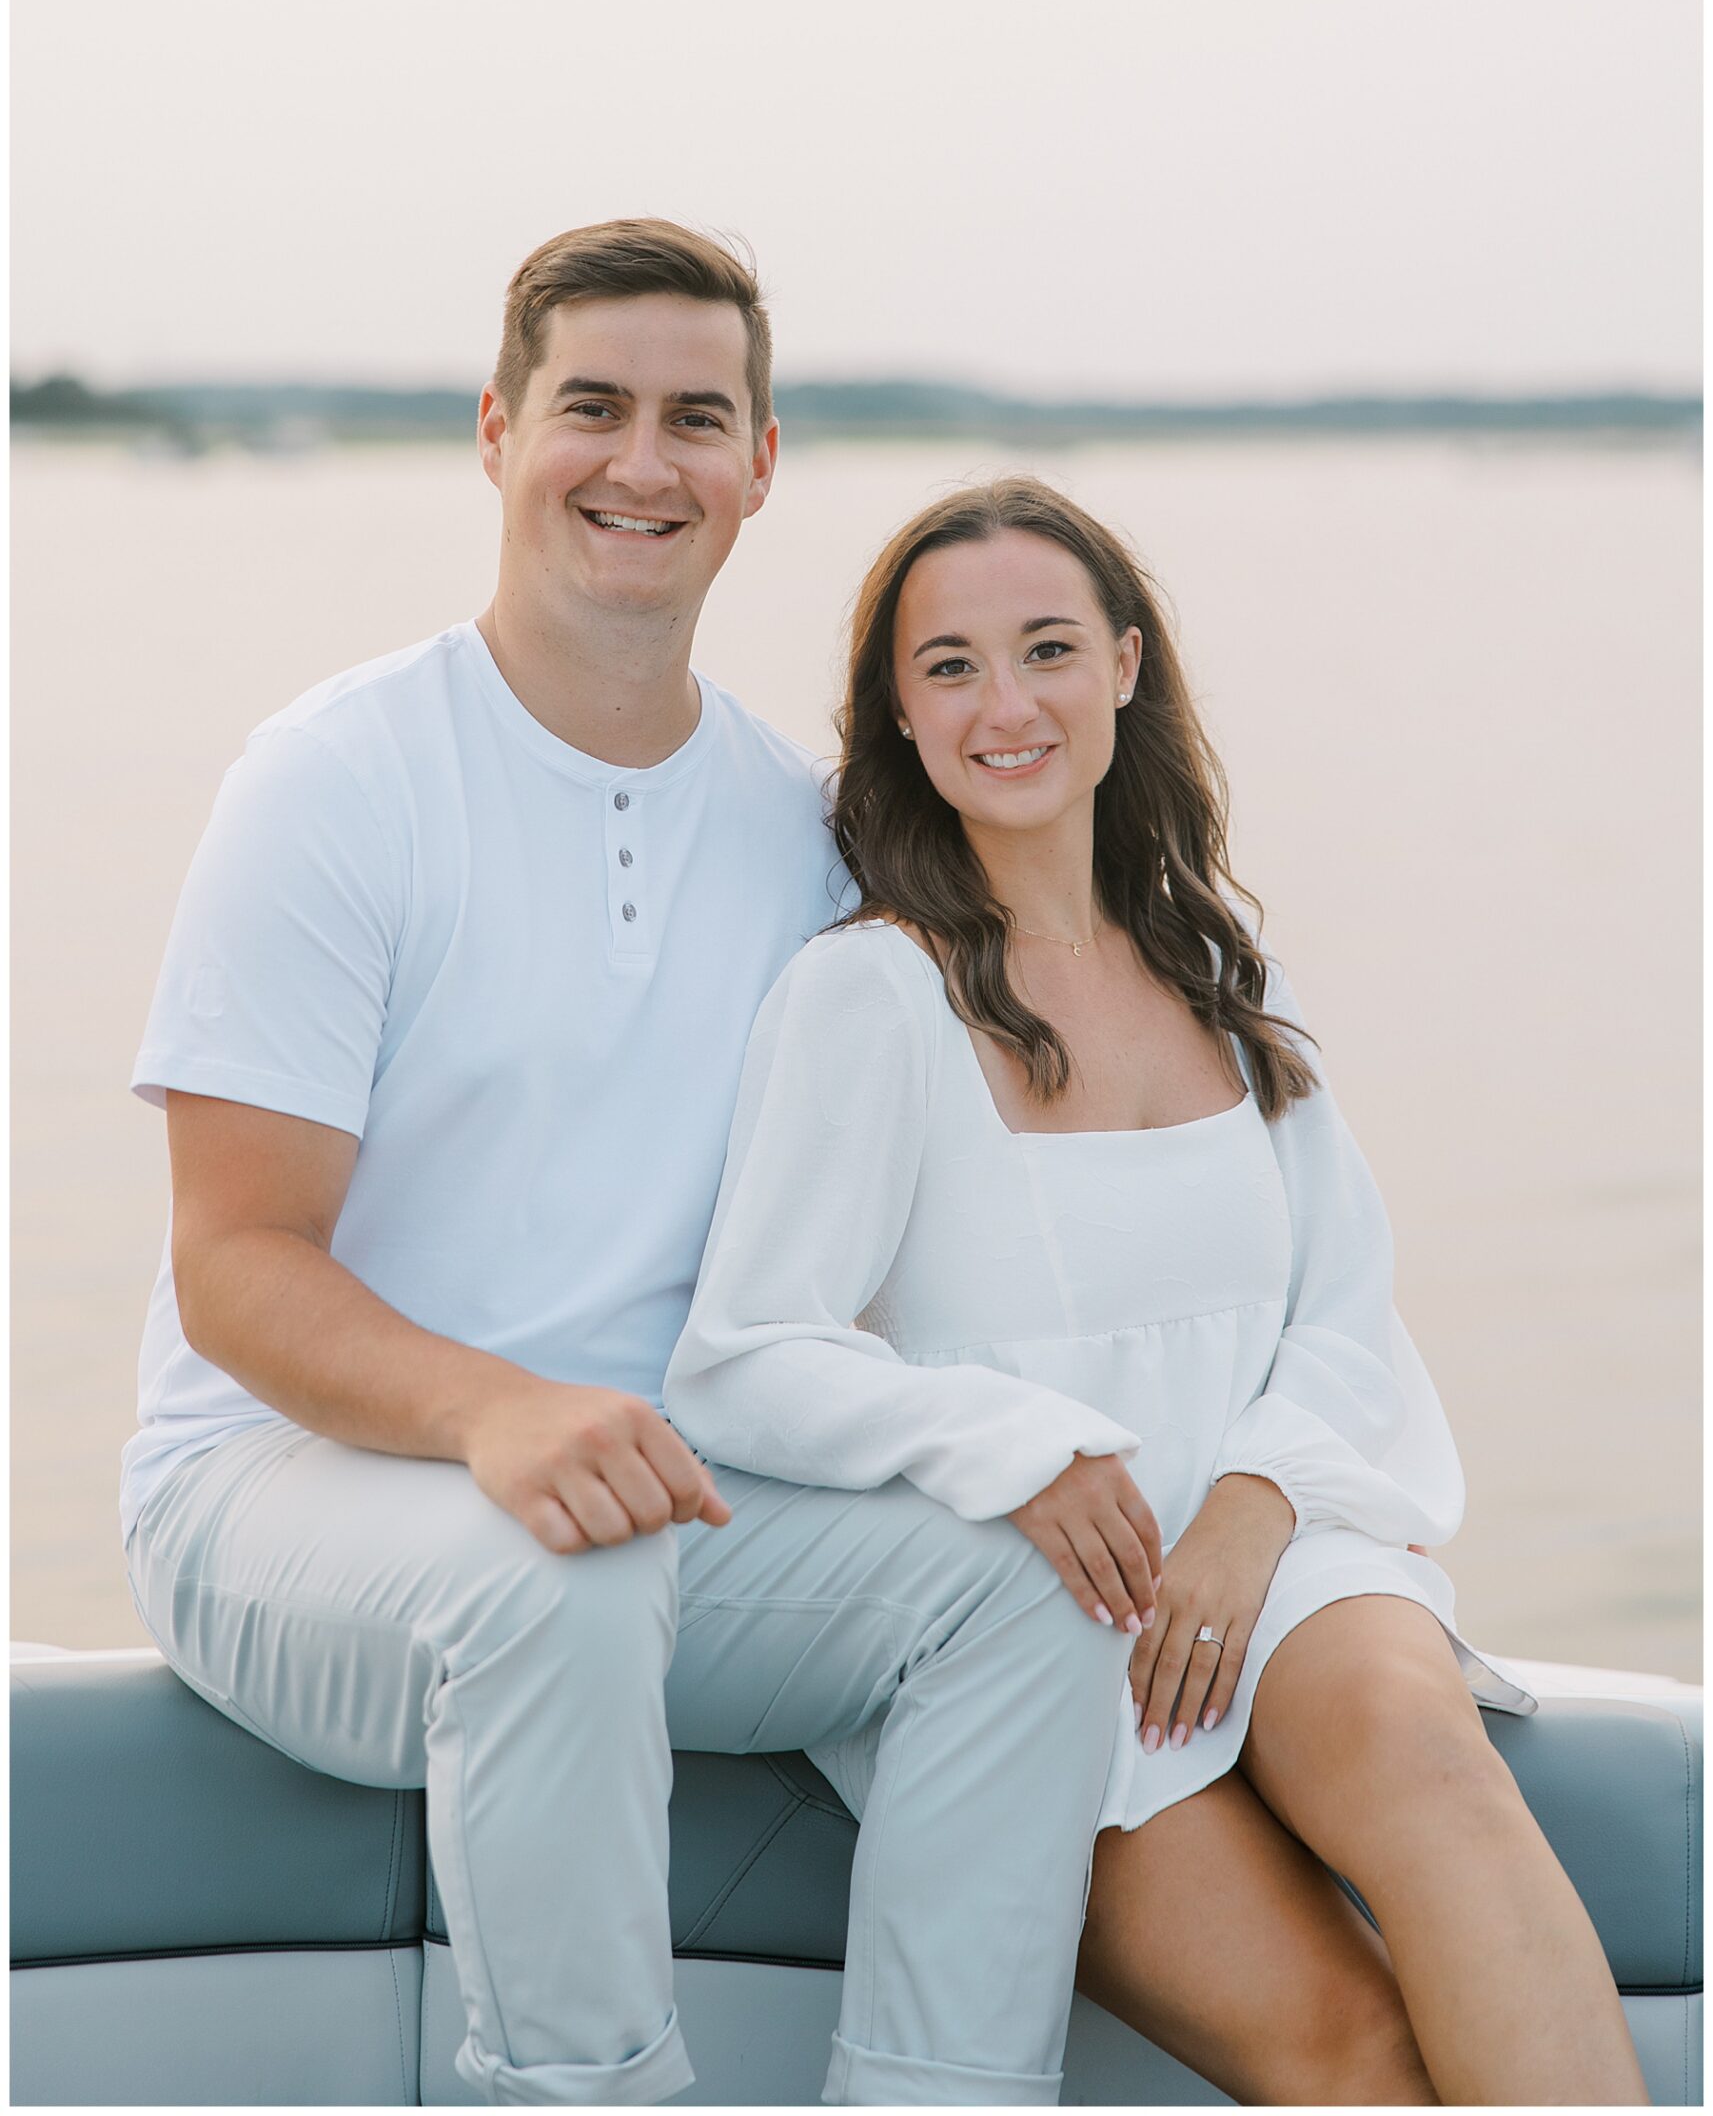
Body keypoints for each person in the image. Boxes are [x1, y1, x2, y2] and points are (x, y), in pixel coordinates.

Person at [120, 227, 1140, 2108]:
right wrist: (495, 1413)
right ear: (499, 430)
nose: (639, 462)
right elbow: (237, 1265)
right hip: (285, 1500)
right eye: (590, 407)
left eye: (696, 418)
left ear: (762, 465)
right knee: (559, 1573)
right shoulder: (337, 778)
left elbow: (932, 1233)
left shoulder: (806, 830)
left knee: (1019, 1590)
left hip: (664, 1505)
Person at [664, 475, 1651, 2107]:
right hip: (1049, 1616)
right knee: (1341, 2037)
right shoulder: (870, 996)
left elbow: (1344, 1324)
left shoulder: (1223, 990)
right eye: (952, 667)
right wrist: (1021, 1446)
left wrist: (1257, 1501)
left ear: (1125, 665)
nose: (1007, 705)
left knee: (1437, 1781)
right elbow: (745, 1357)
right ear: (900, 717)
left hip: (1281, 1545)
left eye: (1046, 648)